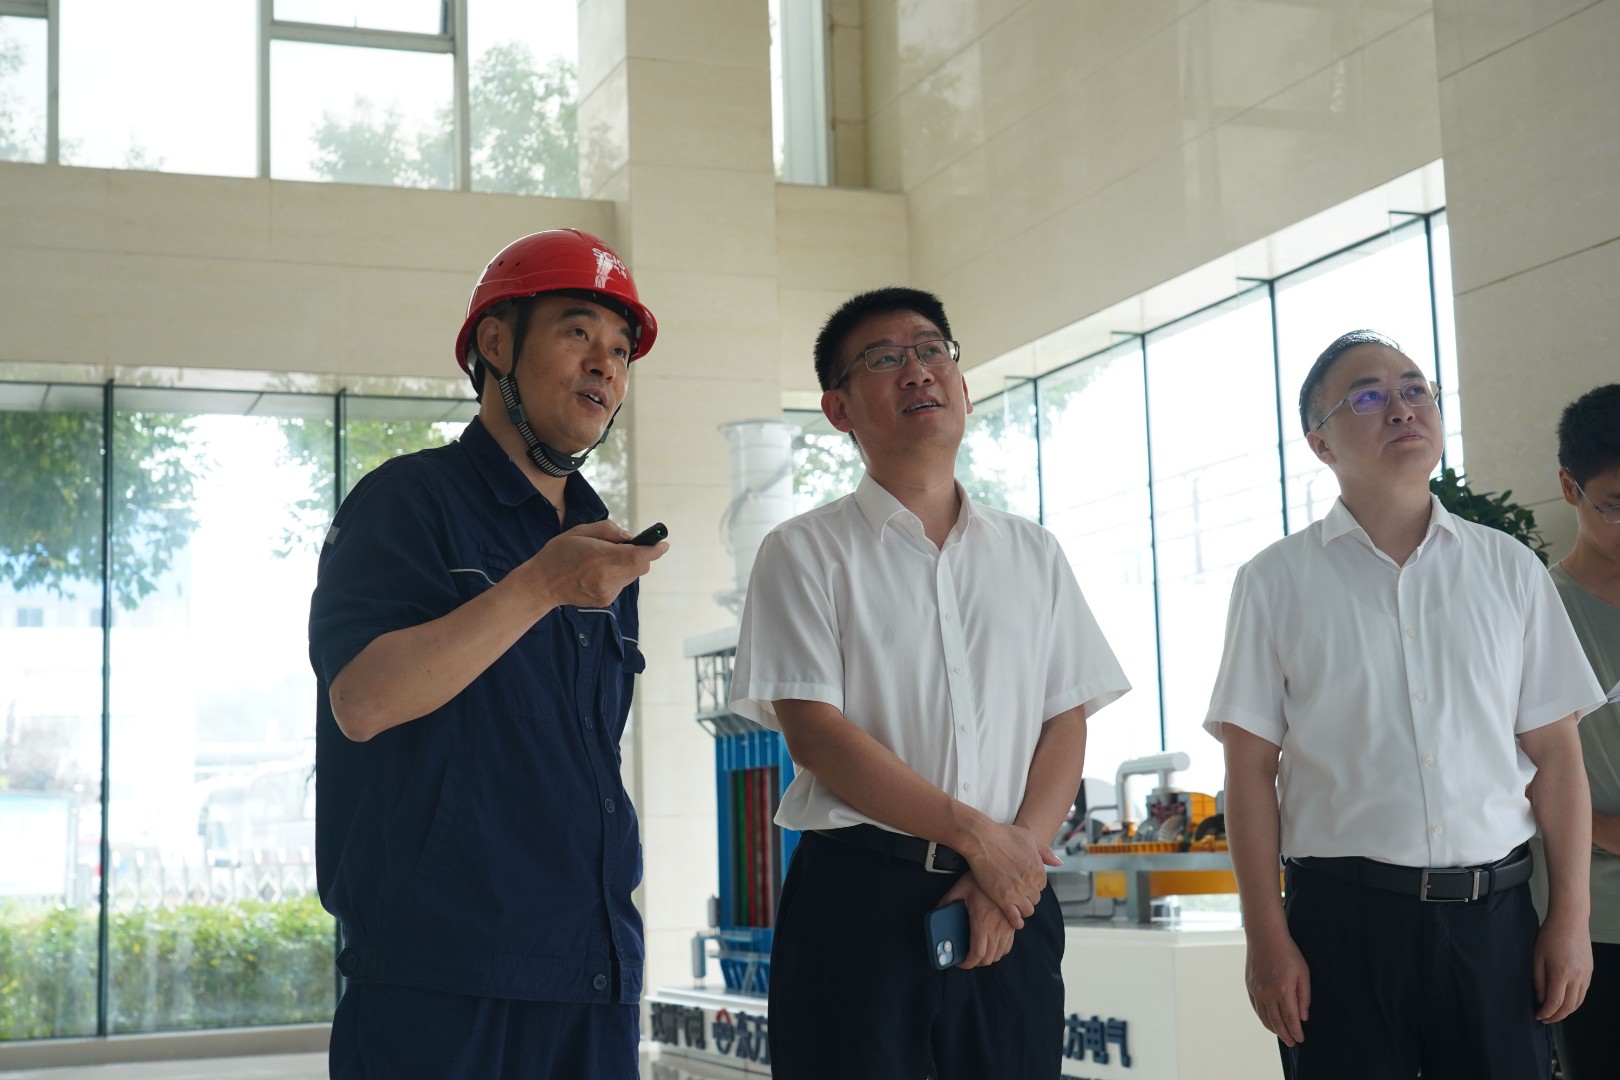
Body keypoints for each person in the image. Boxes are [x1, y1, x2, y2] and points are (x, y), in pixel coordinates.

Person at [729, 286, 1130, 1079]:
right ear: (838, 409)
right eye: (884, 359)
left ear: (963, 386)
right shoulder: (804, 553)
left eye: (931, 351)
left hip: (1011, 903)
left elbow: (1065, 719)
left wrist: (1012, 868)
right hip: (860, 900)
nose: (917, 371)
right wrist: (980, 841)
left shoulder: (1033, 553)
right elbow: (815, 734)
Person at [308, 229, 667, 1080]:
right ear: (496, 343)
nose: (606, 365)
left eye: (621, 349)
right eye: (578, 331)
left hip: (591, 974)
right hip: (440, 983)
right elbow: (363, 700)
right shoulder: (408, 502)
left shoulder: (599, 545)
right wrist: (538, 585)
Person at [1206, 329, 1607, 1080]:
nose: (1401, 407)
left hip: (1496, 923)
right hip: (1342, 924)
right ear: (1321, 445)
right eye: (1367, 397)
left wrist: (1570, 919)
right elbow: (1250, 770)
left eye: (1415, 388)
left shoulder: (1510, 569)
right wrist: (1265, 936)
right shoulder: (1273, 582)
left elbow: (1557, 758)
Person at [1532, 383, 1620, 1079]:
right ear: (1570, 488)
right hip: (1594, 926)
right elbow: (1514, 768)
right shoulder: (1534, 609)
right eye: (1617, 506)